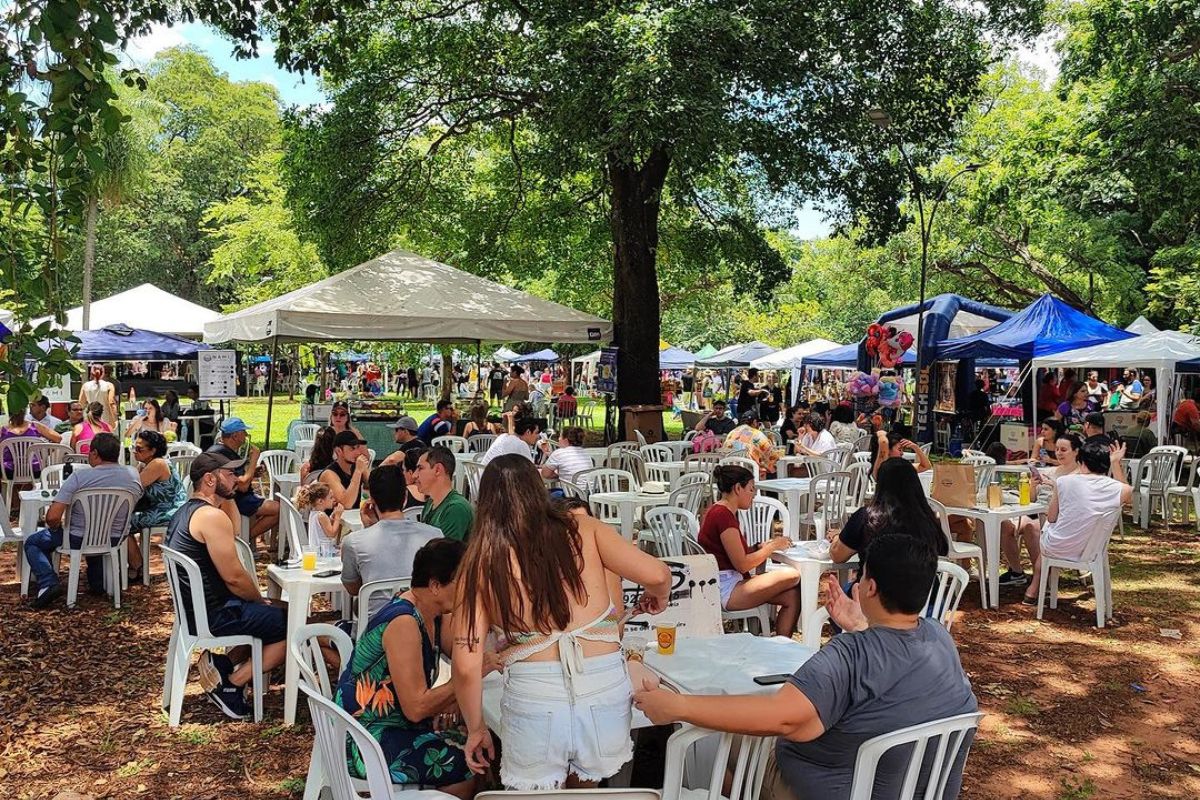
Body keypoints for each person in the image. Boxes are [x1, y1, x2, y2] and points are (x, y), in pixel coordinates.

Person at [632, 535, 978, 800]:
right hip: (915, 787)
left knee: (704, 746)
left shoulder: (850, 656)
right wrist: (862, 626)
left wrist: (677, 706)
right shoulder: (938, 637)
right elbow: (891, 662)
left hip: (833, 787)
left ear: (869, 587)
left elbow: (782, 717)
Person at [451, 454, 672, 790]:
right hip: (603, 688)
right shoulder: (584, 528)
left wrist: (476, 728)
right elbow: (658, 574)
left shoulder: (481, 559)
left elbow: (466, 666)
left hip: (534, 697)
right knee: (584, 794)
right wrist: (660, 596)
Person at [338, 539, 478, 796]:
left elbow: (465, 653)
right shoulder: (404, 622)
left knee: (476, 745)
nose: (471, 590)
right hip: (368, 738)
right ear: (435, 585)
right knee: (469, 764)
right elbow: (417, 708)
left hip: (392, 725)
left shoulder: (432, 613)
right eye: (464, 582)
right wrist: (471, 677)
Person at [166, 451, 290, 719]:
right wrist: (259, 599)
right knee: (293, 624)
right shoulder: (211, 517)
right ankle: (232, 685)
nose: (238, 479)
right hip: (215, 615)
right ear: (210, 479)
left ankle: (222, 662)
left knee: (281, 610)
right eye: (230, 474)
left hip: (194, 612)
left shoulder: (185, 512)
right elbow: (234, 577)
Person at [24, 432, 143, 607]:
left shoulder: (80, 477)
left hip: (77, 538)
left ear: (94, 453)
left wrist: (56, 527)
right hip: (114, 538)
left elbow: (53, 517)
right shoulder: (132, 475)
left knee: (33, 542)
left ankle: (48, 582)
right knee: (95, 535)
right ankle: (98, 583)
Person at [1021, 440, 1132, 605]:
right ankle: (1036, 588)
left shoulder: (1064, 482)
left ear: (1082, 462)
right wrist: (1115, 463)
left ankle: (1034, 588)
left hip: (1057, 546)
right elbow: (1128, 493)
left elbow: (1051, 518)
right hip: (1092, 550)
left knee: (1043, 526)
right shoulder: (1116, 488)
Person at [697, 463, 802, 635]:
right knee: (793, 575)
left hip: (726, 583)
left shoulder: (718, 511)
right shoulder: (723, 516)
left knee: (793, 596)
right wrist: (773, 547)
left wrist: (758, 547)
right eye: (751, 489)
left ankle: (783, 646)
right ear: (738, 488)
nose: (753, 495)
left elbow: (732, 552)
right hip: (725, 589)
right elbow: (742, 564)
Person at [831, 457, 948, 563]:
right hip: (924, 586)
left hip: (877, 585)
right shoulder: (927, 517)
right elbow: (943, 549)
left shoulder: (867, 518)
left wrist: (837, 538)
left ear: (880, 485)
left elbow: (837, 556)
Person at [206, 418, 280, 550]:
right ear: (235, 435)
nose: (246, 435)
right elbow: (243, 486)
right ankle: (244, 538)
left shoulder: (221, 450)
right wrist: (254, 460)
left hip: (231, 495)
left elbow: (237, 477)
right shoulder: (224, 454)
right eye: (243, 432)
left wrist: (252, 473)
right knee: (278, 509)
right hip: (233, 499)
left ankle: (245, 538)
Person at [128, 430, 186, 582]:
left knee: (121, 523)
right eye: (134, 447)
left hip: (170, 510)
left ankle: (136, 565)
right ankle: (135, 563)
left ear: (153, 450)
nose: (135, 451)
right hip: (158, 508)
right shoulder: (146, 464)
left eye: (140, 449)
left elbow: (134, 487)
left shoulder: (157, 464)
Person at [416, 446, 474, 542]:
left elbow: (444, 555)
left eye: (420, 468)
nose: (415, 475)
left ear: (438, 470)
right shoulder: (430, 503)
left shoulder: (456, 509)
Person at [317, 430, 371, 510]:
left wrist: (365, 471)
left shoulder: (356, 467)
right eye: (352, 449)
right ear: (339, 451)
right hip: (332, 520)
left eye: (358, 448)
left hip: (353, 518)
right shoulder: (329, 474)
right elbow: (346, 504)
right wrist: (358, 471)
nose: (358, 452)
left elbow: (375, 487)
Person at [723, 410, 779, 478]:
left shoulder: (731, 433)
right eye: (759, 424)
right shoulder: (757, 435)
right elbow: (772, 455)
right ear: (755, 422)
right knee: (776, 469)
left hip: (731, 472)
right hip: (751, 473)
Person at [294, 481, 344, 553]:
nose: (334, 500)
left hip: (317, 550)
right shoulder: (322, 516)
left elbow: (324, 528)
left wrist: (333, 516)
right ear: (320, 501)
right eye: (331, 497)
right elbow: (332, 534)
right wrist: (338, 517)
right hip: (324, 552)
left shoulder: (313, 513)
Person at [1, 407, 46, 477]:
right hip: (34, 469)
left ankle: (12, 487)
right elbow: (58, 439)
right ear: (25, 412)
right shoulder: (35, 426)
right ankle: (30, 487)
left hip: (9, 471)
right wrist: (44, 452)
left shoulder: (3, 431)